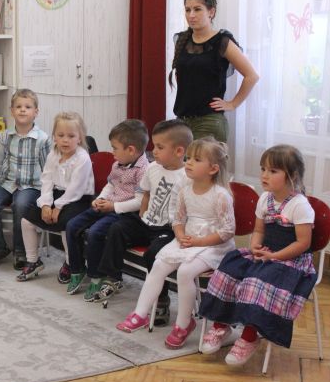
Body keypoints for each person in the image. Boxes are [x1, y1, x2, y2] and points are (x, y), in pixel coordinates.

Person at [199, 144, 316, 366]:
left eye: (273, 171)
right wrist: (254, 246)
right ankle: (222, 325)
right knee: (229, 268)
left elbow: (303, 243)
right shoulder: (265, 199)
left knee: (256, 281)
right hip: (266, 253)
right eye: (263, 169)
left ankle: (250, 336)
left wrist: (275, 257)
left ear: (292, 176)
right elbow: (259, 230)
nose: (264, 175)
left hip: (291, 261)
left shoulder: (300, 205)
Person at [116, 137, 235, 350]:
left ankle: (183, 324)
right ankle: (140, 313)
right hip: (188, 238)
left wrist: (199, 241)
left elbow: (227, 231)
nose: (188, 163)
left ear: (213, 169)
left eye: (196, 160)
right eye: (188, 158)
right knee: (159, 264)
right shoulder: (185, 189)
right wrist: (180, 235)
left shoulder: (221, 195)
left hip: (213, 245)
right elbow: (178, 220)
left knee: (185, 272)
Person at [91, 119, 193, 325]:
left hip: (168, 228)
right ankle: (113, 277)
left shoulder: (186, 177)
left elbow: (190, 209)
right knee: (117, 228)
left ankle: (161, 298)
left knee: (154, 253)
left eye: (160, 147)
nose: (154, 151)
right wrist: (143, 213)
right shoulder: (153, 168)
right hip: (147, 221)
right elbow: (145, 193)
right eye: (155, 146)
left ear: (179, 151)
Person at [63, 119, 150, 299]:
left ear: (131, 150)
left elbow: (140, 201)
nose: (113, 152)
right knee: (72, 225)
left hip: (123, 212)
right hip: (107, 204)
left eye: (115, 148)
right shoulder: (117, 163)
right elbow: (110, 185)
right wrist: (100, 198)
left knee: (96, 232)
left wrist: (113, 206)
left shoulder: (144, 170)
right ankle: (77, 269)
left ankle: (97, 276)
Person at [169, 0, 259, 142]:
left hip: (209, 121)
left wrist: (232, 104)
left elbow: (252, 76)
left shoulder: (222, 41)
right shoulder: (181, 40)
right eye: (187, 10)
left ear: (211, 12)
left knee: (202, 159)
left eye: (197, 9)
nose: (191, 15)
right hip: (182, 120)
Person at [17, 112, 94, 282]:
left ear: (80, 138)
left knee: (66, 224)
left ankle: (70, 263)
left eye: (71, 136)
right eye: (61, 135)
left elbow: (76, 189)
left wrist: (58, 207)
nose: (65, 140)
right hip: (56, 195)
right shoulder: (54, 154)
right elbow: (47, 179)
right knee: (27, 220)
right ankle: (33, 261)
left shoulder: (82, 158)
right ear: (54, 137)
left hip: (78, 199)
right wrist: (46, 204)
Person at [0, 89, 51, 270]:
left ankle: (21, 251)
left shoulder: (42, 139)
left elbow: (48, 168)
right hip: (7, 181)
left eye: (27, 107)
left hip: (31, 185)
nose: (22, 110)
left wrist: (46, 193)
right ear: (12, 111)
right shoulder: (6, 136)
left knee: (20, 205)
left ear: (36, 112)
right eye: (18, 106)